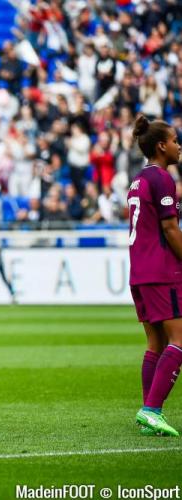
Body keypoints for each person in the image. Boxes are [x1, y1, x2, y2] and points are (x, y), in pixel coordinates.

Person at [127, 114, 182, 437]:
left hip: (140, 270)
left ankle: (149, 412)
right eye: (175, 140)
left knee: (155, 343)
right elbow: (169, 228)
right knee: (179, 340)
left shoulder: (139, 179)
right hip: (161, 270)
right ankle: (151, 410)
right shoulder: (162, 179)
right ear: (161, 146)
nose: (179, 146)